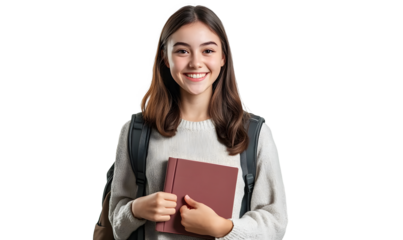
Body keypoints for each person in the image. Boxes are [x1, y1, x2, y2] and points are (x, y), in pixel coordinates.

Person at [109, 2, 288, 240]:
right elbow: (117, 226)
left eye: (208, 51)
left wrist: (222, 228)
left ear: (224, 57)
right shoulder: (136, 131)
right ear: (165, 57)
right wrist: (136, 209)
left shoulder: (254, 134)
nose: (195, 62)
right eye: (182, 51)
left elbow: (276, 224)